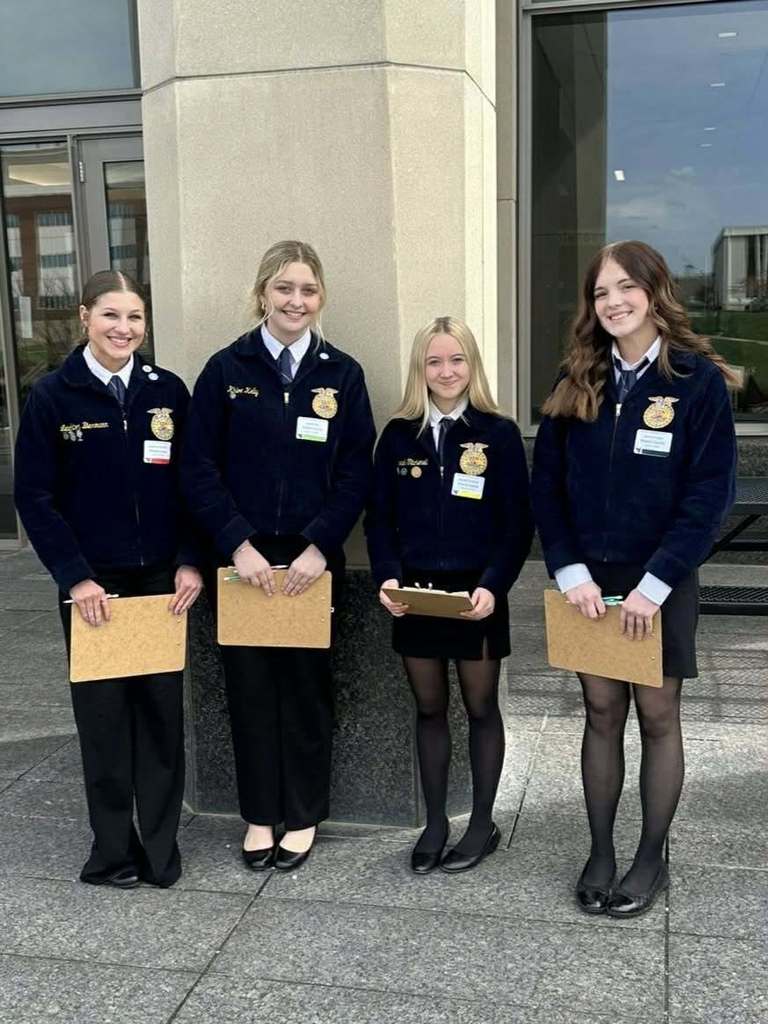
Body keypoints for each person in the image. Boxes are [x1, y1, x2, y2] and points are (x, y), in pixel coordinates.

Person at [531, 240, 737, 917]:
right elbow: (548, 489)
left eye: (625, 287)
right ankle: (600, 850)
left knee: (655, 715)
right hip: (589, 582)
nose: (613, 302)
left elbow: (708, 495)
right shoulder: (577, 376)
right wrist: (568, 570)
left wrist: (655, 585)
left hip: (662, 579)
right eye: (600, 292)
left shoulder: (694, 381)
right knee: (599, 712)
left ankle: (650, 856)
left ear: (654, 292)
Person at [181, 240, 375, 872]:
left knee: (306, 692)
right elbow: (198, 468)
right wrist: (237, 542)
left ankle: (304, 815)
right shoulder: (225, 369)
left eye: (308, 290)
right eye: (285, 288)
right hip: (243, 564)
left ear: (321, 298)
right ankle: (260, 814)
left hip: (310, 566)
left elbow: (355, 472)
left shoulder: (341, 374)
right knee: (250, 693)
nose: (297, 301)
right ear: (263, 292)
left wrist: (322, 546)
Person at [14, 269, 203, 889]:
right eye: (112, 316)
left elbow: (191, 487)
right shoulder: (53, 396)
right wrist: (75, 578)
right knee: (103, 721)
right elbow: (35, 498)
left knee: (159, 718)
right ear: (85, 318)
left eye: (136, 318)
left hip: (158, 586)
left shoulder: (167, 391)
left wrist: (188, 559)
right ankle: (113, 852)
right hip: (94, 591)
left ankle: (160, 850)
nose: (125, 329)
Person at [365, 316, 533, 874]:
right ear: (421, 368)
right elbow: (379, 519)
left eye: (456, 360)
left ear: (472, 365)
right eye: (434, 361)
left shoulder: (499, 432)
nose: (446, 371)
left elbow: (517, 525)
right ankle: (435, 823)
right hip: (415, 596)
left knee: (481, 708)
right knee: (430, 709)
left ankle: (482, 824)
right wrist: (387, 576)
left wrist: (493, 585)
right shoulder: (397, 435)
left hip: (477, 595)